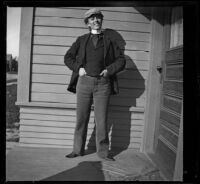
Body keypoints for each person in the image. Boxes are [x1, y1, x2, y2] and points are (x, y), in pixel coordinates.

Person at [64, 8, 125, 161]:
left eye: (98, 18)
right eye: (92, 18)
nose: (96, 20)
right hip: (84, 83)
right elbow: (68, 57)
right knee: (81, 118)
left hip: (103, 84)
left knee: (102, 120)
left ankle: (103, 153)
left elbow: (121, 60)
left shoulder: (109, 41)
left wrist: (108, 71)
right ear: (87, 23)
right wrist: (79, 69)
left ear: (101, 20)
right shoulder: (81, 40)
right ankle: (77, 150)